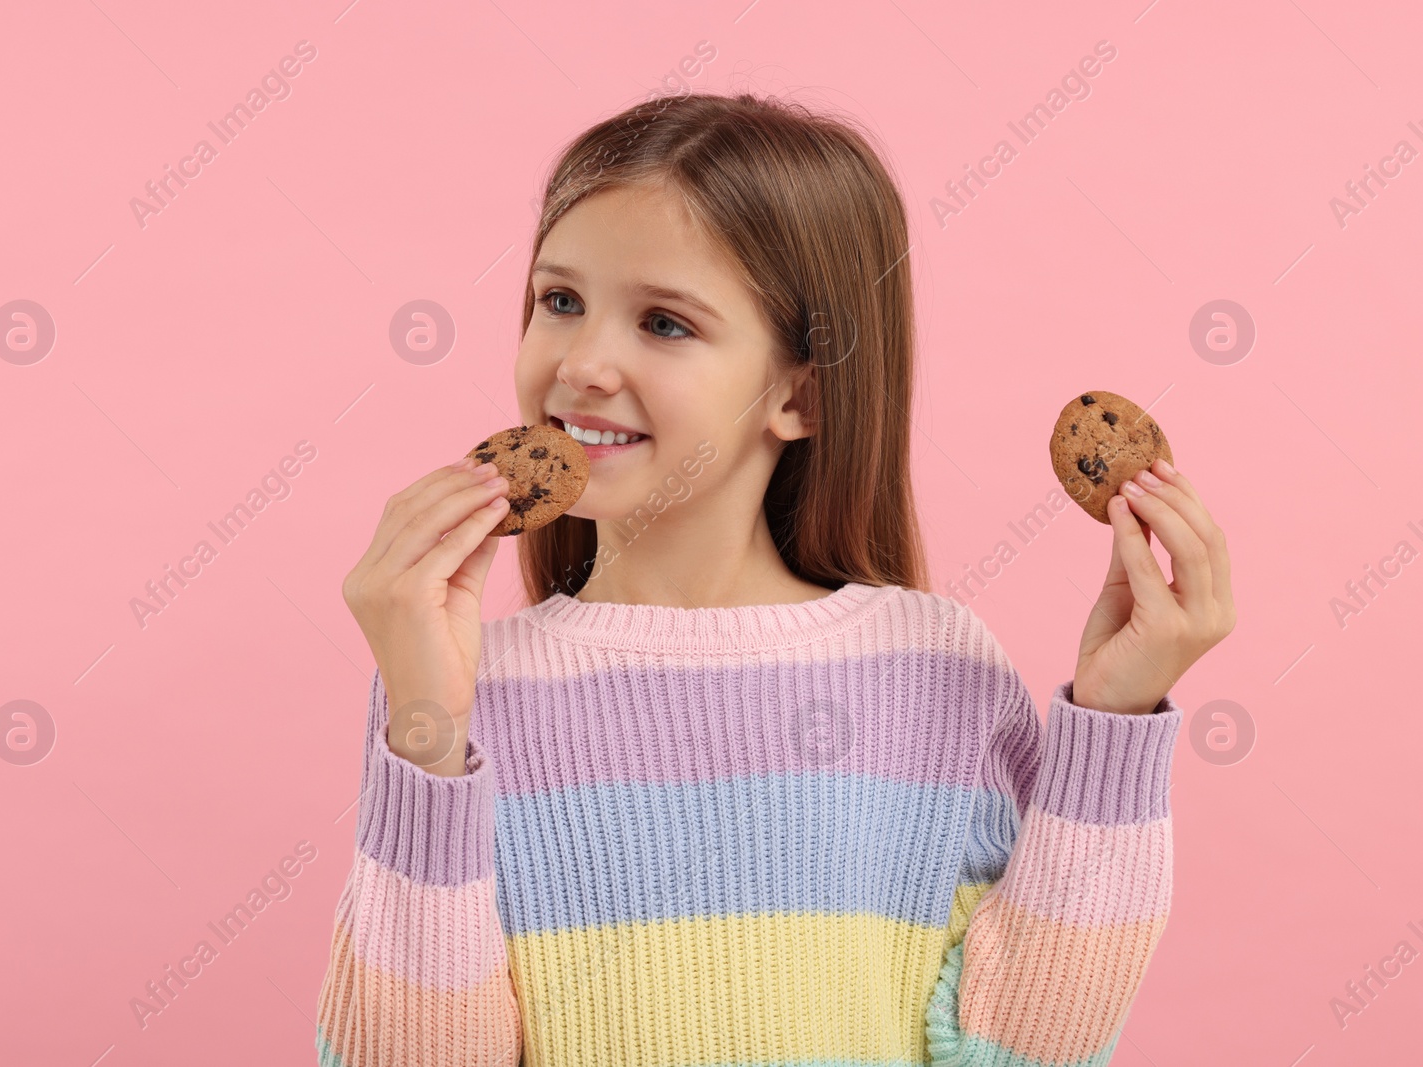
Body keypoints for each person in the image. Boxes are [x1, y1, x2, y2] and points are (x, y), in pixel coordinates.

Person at [314, 89, 1235, 1066]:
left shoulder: (933, 670)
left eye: (663, 322)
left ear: (799, 390)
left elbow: (1016, 1052)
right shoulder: (463, 698)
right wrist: (422, 738)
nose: (580, 362)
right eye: (559, 300)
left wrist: (1116, 723)